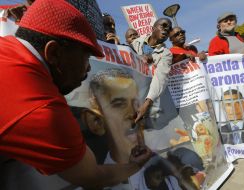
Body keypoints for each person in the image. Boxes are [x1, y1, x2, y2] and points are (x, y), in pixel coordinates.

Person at [0, 0, 151, 189]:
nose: (88, 68)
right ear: (54, 53)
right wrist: (135, 165)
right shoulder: (42, 110)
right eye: (86, 56)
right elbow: (91, 176)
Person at [131, 18, 173, 122]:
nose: (166, 30)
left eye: (169, 29)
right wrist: (141, 58)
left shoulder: (166, 54)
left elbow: (160, 78)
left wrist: (147, 104)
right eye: (163, 26)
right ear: (153, 28)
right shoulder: (136, 43)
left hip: (145, 98)